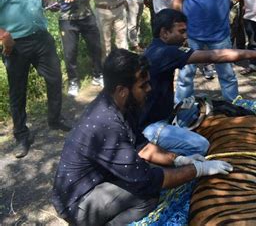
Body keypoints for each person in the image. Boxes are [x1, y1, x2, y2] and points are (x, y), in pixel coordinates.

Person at [52, 48, 233, 225]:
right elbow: (147, 181)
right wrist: (197, 170)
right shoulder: (106, 123)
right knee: (146, 195)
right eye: (143, 85)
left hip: (96, 182)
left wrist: (178, 160)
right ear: (122, 90)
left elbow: (143, 146)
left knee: (151, 171)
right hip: (77, 203)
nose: (149, 88)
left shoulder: (121, 103)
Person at [141, 9, 256, 153]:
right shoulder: (166, 53)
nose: (185, 36)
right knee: (200, 145)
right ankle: (179, 168)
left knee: (209, 106)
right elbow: (215, 56)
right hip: (151, 127)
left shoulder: (156, 48)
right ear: (164, 33)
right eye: (181, 31)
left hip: (165, 115)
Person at [0, 0, 70, 159]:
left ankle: (55, 119)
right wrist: (3, 35)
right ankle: (22, 136)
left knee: (55, 78)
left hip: (41, 37)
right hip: (15, 44)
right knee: (17, 91)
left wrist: (50, 4)